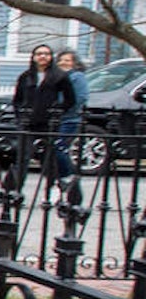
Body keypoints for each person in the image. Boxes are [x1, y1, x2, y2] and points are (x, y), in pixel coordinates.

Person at [10, 43, 75, 193]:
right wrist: (20, 116)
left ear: (51, 57)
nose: (42, 56)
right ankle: (15, 191)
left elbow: (70, 100)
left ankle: (52, 191)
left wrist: (56, 112)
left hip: (47, 124)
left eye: (46, 53)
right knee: (22, 158)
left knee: (48, 160)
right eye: (39, 54)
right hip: (27, 124)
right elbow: (17, 100)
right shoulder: (26, 77)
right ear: (33, 57)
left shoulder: (59, 76)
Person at [54, 49, 89, 203]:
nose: (63, 63)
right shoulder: (56, 77)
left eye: (67, 60)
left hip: (69, 119)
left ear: (74, 63)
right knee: (52, 151)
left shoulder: (77, 77)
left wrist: (63, 109)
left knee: (59, 148)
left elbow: (80, 97)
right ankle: (57, 183)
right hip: (53, 119)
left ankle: (68, 176)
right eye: (61, 60)